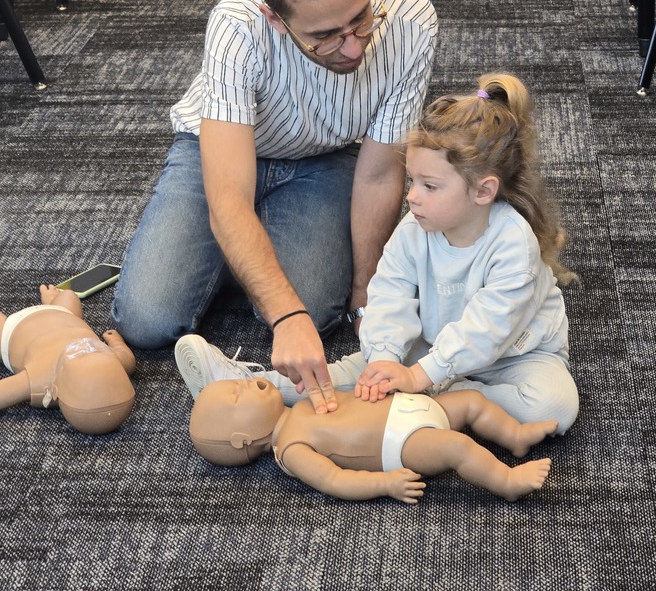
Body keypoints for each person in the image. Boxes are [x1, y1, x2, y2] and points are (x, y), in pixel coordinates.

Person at [112, 0, 438, 415]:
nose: (354, 47)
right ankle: (241, 250)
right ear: (275, 18)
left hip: (327, 158)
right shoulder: (237, 25)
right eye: (325, 37)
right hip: (218, 157)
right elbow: (227, 195)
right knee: (146, 321)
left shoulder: (412, 18)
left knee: (320, 310)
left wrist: (366, 297)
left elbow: (379, 175)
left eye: (360, 20)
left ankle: (240, 255)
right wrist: (283, 316)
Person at [175, 72, 579, 432]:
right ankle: (240, 384)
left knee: (554, 406)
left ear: (483, 190)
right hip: (433, 345)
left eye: (430, 186)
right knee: (359, 369)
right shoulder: (415, 228)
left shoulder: (513, 243)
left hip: (516, 356)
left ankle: (432, 398)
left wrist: (421, 376)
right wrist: (385, 358)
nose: (412, 196)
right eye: (413, 180)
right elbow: (388, 294)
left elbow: (487, 331)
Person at [187, 378, 557, 503]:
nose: (249, 383)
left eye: (239, 381)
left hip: (413, 406)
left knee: (473, 402)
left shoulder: (298, 404)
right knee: (456, 447)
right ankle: (506, 482)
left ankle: (515, 436)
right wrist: (384, 483)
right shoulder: (292, 451)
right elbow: (335, 481)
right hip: (401, 441)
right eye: (238, 394)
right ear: (241, 440)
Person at [0, 285, 136, 434]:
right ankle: (52, 299)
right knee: (69, 294)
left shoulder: (40, 379)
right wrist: (116, 342)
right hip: (63, 313)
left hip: (14, 328)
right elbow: (128, 359)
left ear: (57, 390)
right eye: (96, 350)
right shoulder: (114, 362)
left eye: (80, 354)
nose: (86, 345)